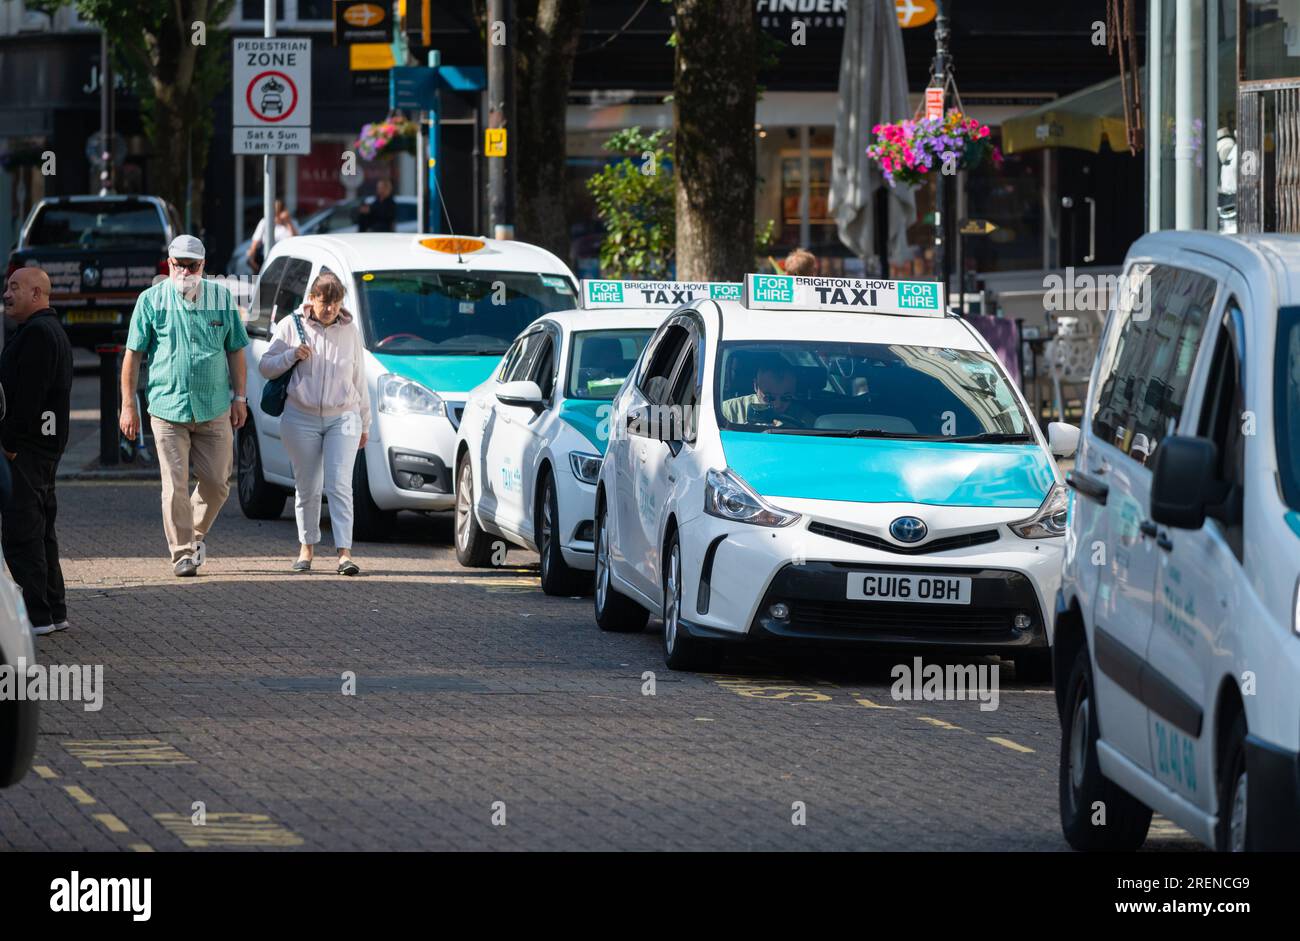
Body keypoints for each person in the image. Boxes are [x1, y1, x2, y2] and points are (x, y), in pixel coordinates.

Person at [120, 235, 250, 577]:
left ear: (204, 266)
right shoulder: (150, 300)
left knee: (218, 482)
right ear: (169, 263)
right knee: (174, 485)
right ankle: (181, 553)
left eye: (192, 265)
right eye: (179, 264)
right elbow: (132, 355)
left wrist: (240, 397)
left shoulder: (221, 298)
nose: (185, 271)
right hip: (166, 406)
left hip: (214, 406)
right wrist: (127, 405)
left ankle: (192, 537)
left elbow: (236, 349)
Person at [258, 270, 370, 575]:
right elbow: (265, 366)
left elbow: (360, 378)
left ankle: (344, 553)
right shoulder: (290, 326)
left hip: (343, 416)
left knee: (339, 484)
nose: (331, 310)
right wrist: (292, 355)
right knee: (307, 486)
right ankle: (306, 549)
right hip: (300, 415)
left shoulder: (350, 331)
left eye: (336, 304)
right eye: (325, 304)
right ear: (312, 300)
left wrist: (365, 421)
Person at [0, 266, 73, 635]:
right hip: (43, 448)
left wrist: (9, 445)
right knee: (42, 530)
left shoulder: (38, 335)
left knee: (21, 532)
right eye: (6, 287)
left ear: (37, 294)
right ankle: (53, 611)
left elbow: (28, 397)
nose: (7, 294)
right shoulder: (46, 331)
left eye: (15, 287)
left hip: (27, 449)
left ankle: (37, 616)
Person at [722, 360, 815, 428]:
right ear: (755, 386)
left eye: (786, 397)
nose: (778, 405)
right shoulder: (729, 411)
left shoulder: (804, 418)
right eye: (769, 397)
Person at [246, 200, 299, 273]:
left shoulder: (291, 223)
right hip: (266, 257)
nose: (276, 218)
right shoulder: (265, 222)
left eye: (278, 214)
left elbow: (296, 239)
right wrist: (252, 258)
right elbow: (255, 241)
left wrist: (288, 222)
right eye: (275, 215)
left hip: (286, 260)